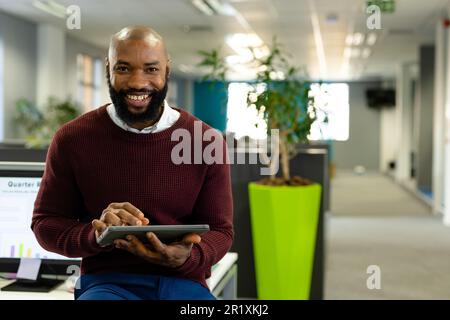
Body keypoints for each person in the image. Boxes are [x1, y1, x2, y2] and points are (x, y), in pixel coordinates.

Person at [31, 26, 233, 300]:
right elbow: (45, 224)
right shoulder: (72, 139)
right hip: (106, 284)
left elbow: (221, 230)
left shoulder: (205, 140)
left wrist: (188, 257)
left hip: (182, 283)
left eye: (151, 69)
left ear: (167, 70)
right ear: (108, 69)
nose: (138, 82)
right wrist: (96, 234)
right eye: (124, 68)